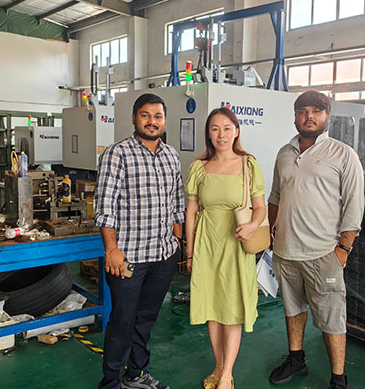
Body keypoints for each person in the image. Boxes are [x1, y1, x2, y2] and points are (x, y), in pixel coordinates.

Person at [268, 91, 364, 389]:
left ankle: (338, 378)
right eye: (302, 111)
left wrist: (343, 249)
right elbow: (275, 197)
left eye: (316, 111)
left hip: (324, 254)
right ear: (295, 116)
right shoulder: (284, 153)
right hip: (286, 253)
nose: (308, 116)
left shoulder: (343, 154)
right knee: (292, 309)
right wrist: (271, 234)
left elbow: (354, 205)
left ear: (327, 116)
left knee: (332, 317)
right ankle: (296, 360)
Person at [94, 93, 184, 389]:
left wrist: (177, 241)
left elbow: (177, 201)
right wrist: (111, 249)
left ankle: (136, 374)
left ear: (165, 120)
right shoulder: (117, 154)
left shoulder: (171, 155)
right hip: (128, 257)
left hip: (163, 255)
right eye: (145, 115)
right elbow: (105, 205)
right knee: (123, 320)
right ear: (134, 118)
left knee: (145, 319)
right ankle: (111, 382)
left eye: (158, 116)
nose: (152, 122)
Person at [184, 107, 267, 389]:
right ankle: (218, 365)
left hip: (235, 244)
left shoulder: (248, 164)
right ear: (208, 134)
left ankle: (227, 374)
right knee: (212, 308)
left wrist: (253, 226)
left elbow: (260, 207)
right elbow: (191, 212)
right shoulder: (199, 167)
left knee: (231, 308)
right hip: (207, 244)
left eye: (227, 128)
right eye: (215, 128)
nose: (221, 134)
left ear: (236, 131)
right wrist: (190, 253)